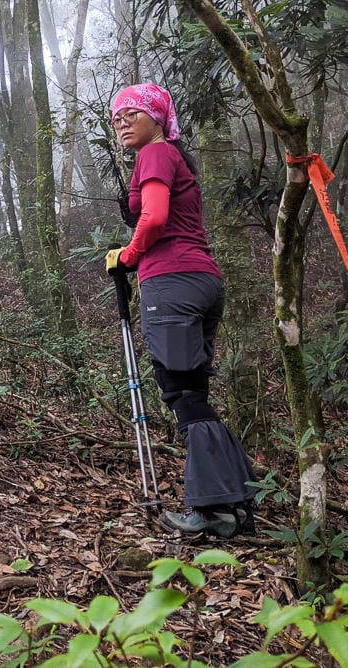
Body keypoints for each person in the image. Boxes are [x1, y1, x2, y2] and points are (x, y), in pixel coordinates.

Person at [104, 83, 256, 539]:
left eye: (134, 112)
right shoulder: (169, 157)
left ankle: (213, 511)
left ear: (157, 118)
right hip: (202, 281)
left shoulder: (155, 153)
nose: (123, 120)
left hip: (172, 282)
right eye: (117, 115)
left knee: (182, 394)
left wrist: (127, 256)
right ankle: (237, 499)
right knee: (193, 392)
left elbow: (152, 219)